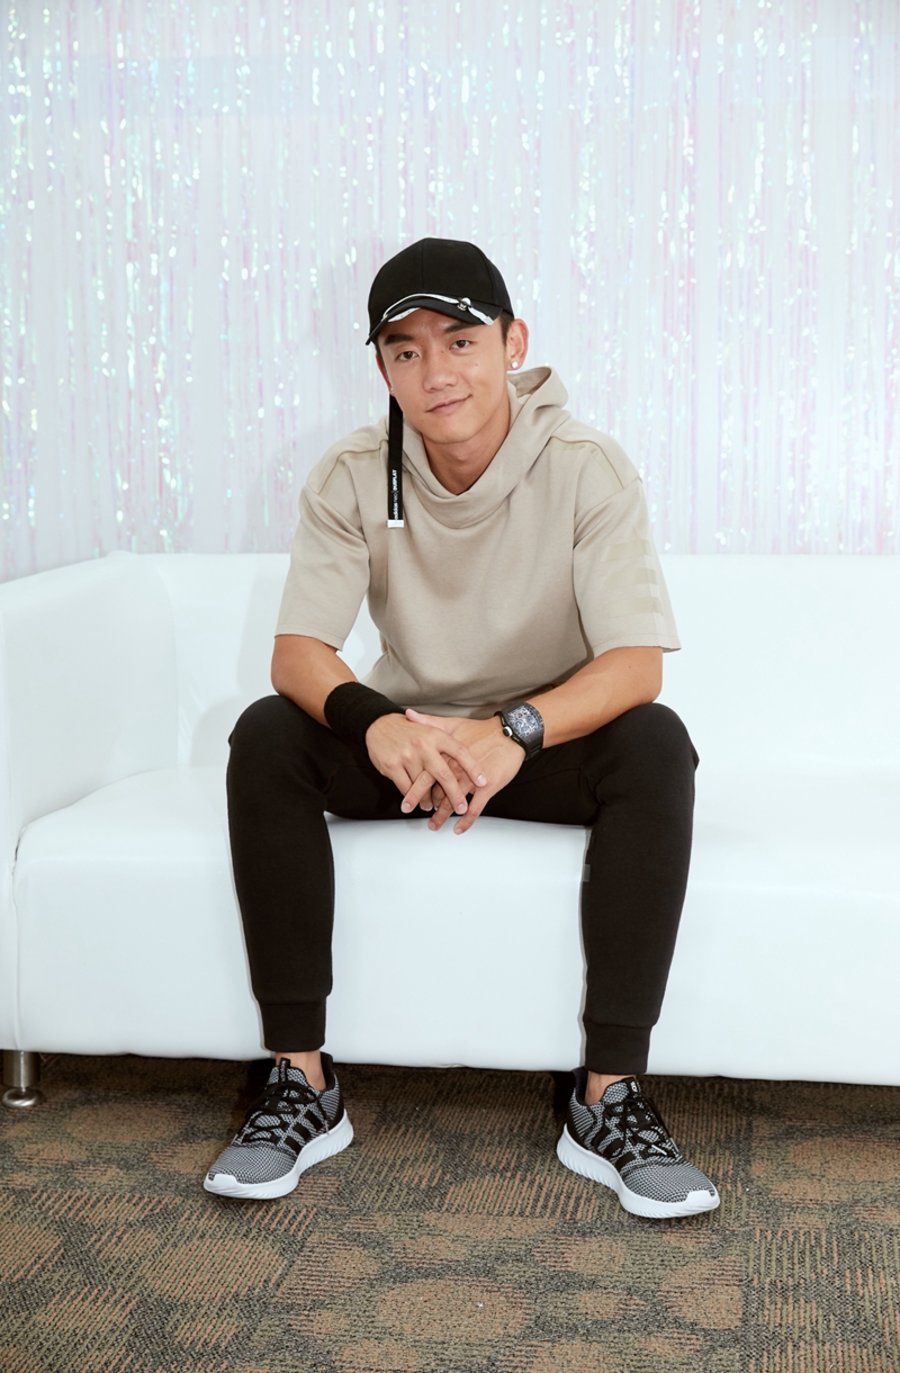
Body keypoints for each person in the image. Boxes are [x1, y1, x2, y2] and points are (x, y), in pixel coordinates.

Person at [204, 237, 719, 1220]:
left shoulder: (589, 468)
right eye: (405, 350)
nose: (434, 371)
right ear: (382, 367)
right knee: (267, 734)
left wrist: (512, 731)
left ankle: (609, 1098)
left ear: (513, 342)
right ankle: (300, 1082)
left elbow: (635, 665)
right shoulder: (352, 472)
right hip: (412, 744)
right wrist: (379, 724)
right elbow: (299, 653)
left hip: (541, 743)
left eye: (460, 340)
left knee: (656, 742)